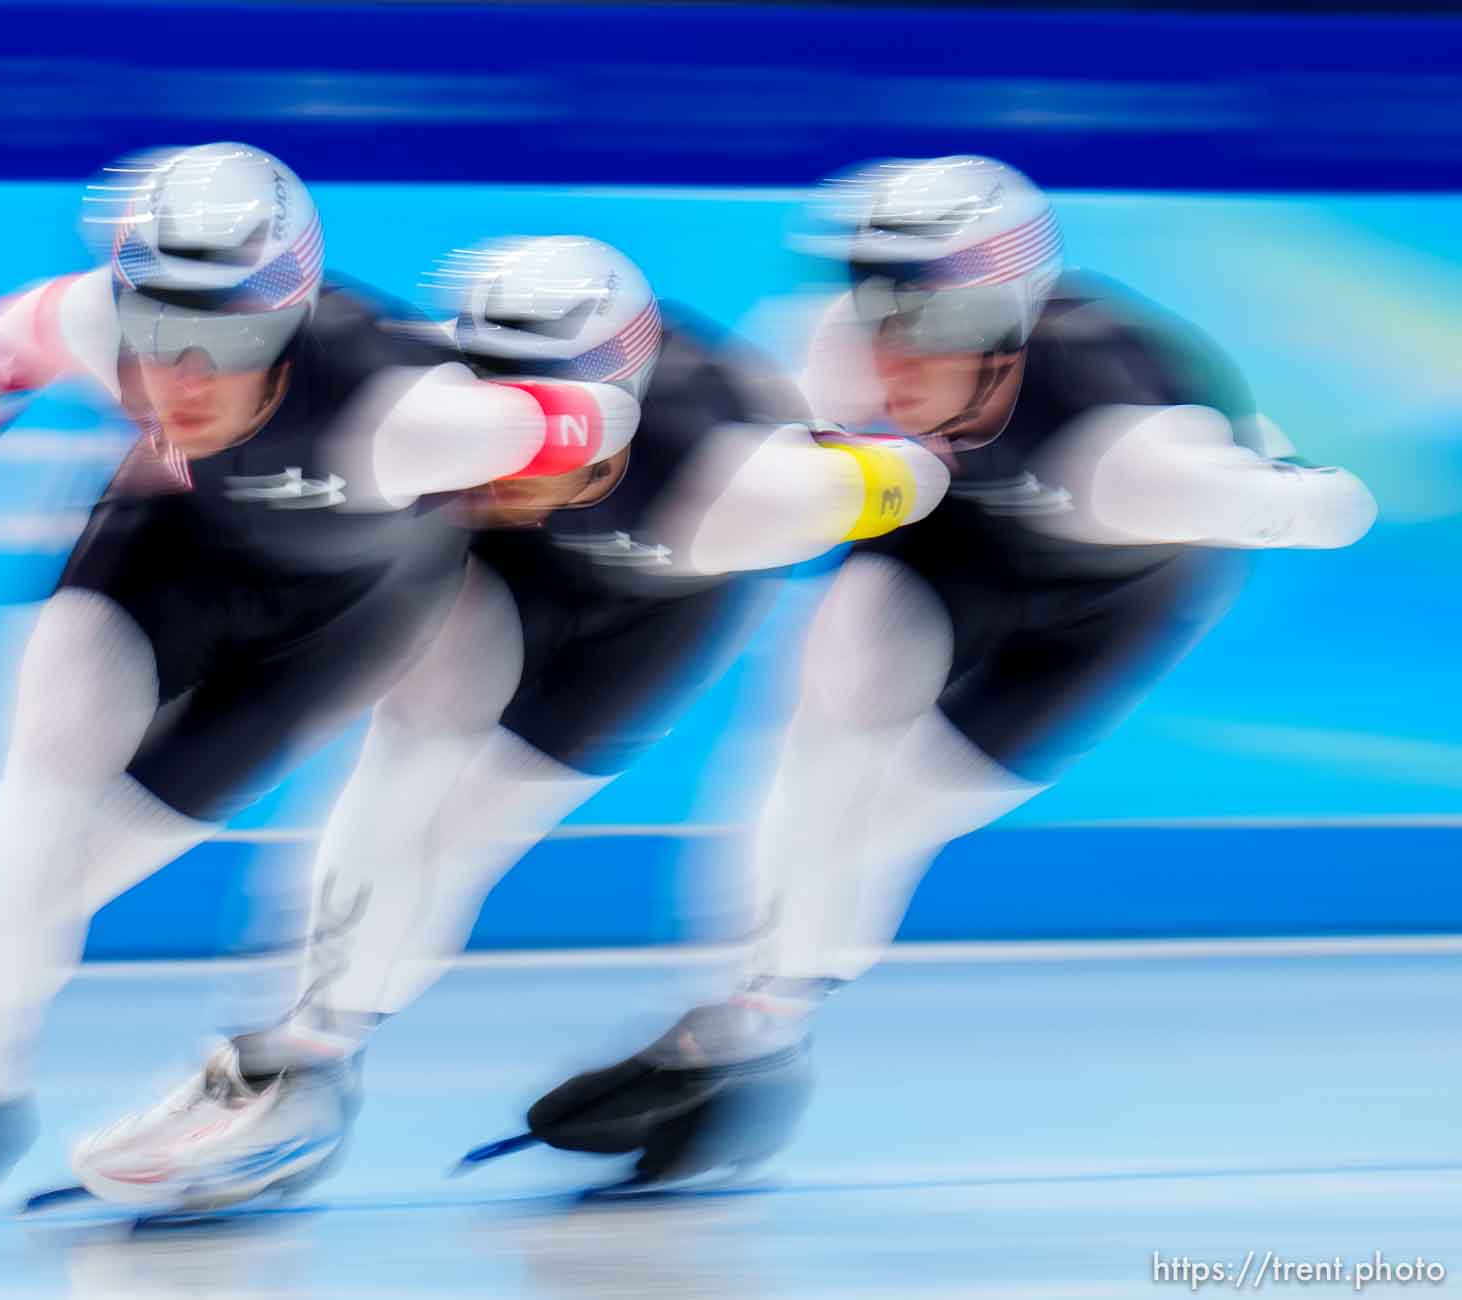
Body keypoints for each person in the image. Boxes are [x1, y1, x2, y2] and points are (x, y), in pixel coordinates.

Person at [0, 145, 647, 1242]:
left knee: (72, 871)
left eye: (234, 333)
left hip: (335, 630)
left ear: (293, 317)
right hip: (171, 555)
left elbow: (594, 416)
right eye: (160, 329)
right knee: (38, 754)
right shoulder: (89, 325)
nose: (190, 374)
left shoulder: (408, 410)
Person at [508, 156, 1378, 1191]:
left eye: (928, 322)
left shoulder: (1125, 433)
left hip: (1102, 605)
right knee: (821, 710)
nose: (892, 355)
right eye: (871, 311)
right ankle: (744, 1019)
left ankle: (761, 1028)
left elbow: (1319, 507)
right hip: (950, 546)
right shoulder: (831, 354)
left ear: (1010, 319)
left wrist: (1270, 489)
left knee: (900, 809)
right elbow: (711, 451)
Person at [59, 236, 951, 1210]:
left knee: (477, 822)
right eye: (494, 397)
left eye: (543, 404)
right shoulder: (442, 410)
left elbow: (915, 478)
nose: (512, 436)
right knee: (401, 772)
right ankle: (297, 1062)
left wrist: (920, 464)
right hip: (517, 575)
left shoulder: (751, 480)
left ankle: (743, 1037)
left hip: (654, 609)